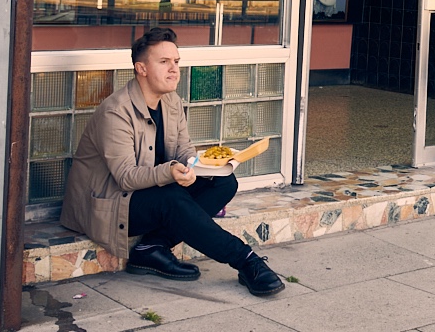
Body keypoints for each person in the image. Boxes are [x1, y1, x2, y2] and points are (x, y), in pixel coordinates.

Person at [60, 27, 285, 295]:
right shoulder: (116, 112)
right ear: (141, 68)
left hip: (151, 193)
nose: (174, 69)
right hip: (112, 204)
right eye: (164, 62)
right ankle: (246, 261)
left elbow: (183, 150)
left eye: (176, 62)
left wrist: (199, 165)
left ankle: (151, 247)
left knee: (224, 183)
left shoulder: (172, 102)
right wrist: (171, 172)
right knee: (171, 200)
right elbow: (126, 177)